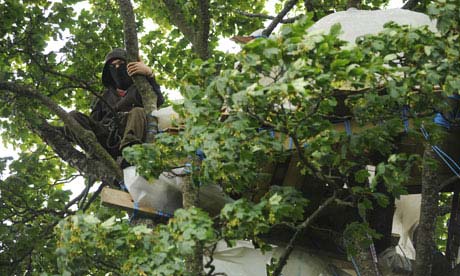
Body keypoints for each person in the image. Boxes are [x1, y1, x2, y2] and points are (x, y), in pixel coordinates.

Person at [65, 48, 164, 167]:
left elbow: (157, 100)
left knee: (138, 111)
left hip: (132, 131)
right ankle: (97, 154)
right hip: (107, 135)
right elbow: (92, 122)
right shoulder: (104, 96)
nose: (117, 68)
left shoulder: (141, 88)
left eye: (121, 64)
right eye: (113, 66)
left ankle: (129, 155)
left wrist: (150, 75)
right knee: (72, 117)